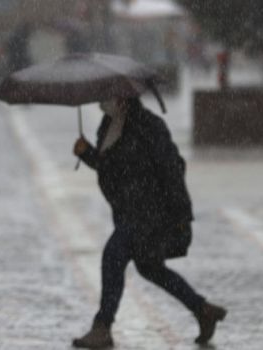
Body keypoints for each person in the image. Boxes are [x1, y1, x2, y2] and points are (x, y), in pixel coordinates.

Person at [71, 97, 226, 348]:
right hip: (128, 211)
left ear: (123, 97)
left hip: (150, 211)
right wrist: (87, 153)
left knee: (113, 255)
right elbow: (110, 168)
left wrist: (180, 214)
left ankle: (102, 327)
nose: (103, 101)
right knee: (149, 266)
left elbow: (171, 168)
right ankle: (203, 310)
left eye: (108, 95)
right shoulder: (108, 124)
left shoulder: (149, 125)